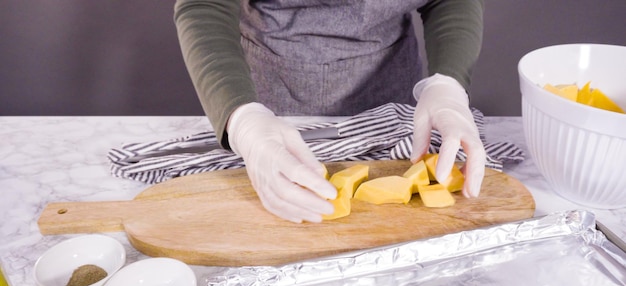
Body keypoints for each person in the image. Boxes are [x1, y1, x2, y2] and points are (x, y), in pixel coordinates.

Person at [173, 0, 487, 223]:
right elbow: (205, 5)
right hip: (269, 98)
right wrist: (241, 120)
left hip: (393, 98)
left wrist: (448, 83)